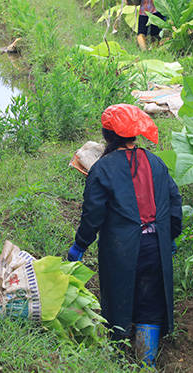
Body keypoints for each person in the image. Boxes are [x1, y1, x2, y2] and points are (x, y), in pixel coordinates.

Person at [67, 104, 182, 368]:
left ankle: (119, 358)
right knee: (150, 300)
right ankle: (146, 362)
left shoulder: (103, 169)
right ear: (134, 135)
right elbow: (175, 202)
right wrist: (170, 237)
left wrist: (80, 244)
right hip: (155, 246)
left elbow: (93, 214)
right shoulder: (156, 163)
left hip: (122, 248)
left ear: (107, 136)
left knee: (119, 296)